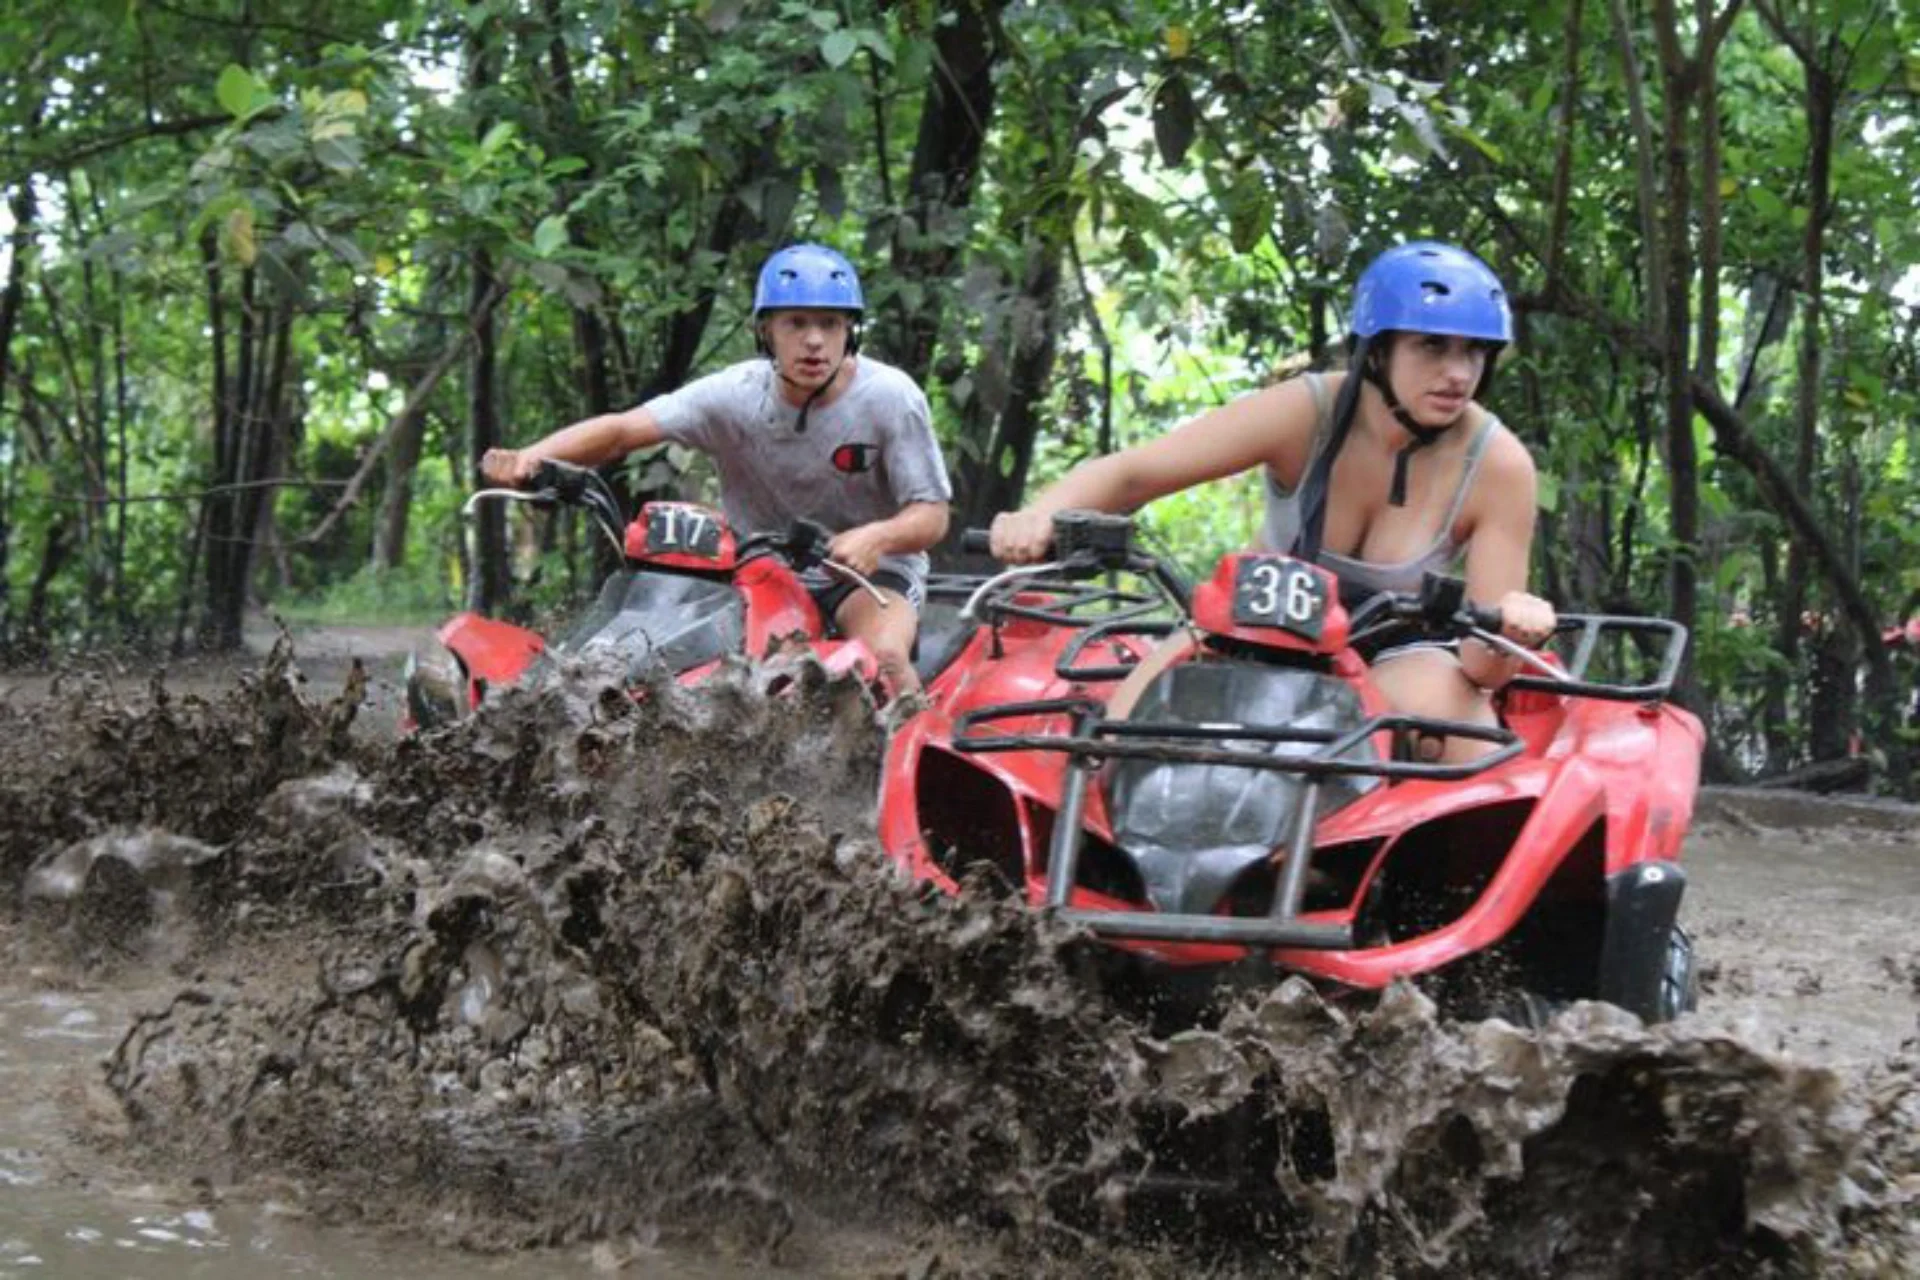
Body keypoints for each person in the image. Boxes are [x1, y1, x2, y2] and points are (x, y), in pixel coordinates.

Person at [988, 241, 1555, 759]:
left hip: (1397, 650)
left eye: (1475, 352)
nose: (1457, 373)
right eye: (1431, 345)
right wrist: (1040, 514)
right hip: (1254, 629)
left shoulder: (1499, 466)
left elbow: (1484, 665)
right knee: (1113, 740)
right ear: (1377, 351)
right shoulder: (1307, 411)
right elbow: (1132, 475)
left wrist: (1513, 627)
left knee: (1467, 745)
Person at [481, 243, 952, 693]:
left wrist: (876, 538)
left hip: (869, 575)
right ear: (765, 330)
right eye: (796, 323)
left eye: (830, 324)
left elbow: (932, 515)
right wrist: (530, 458)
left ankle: (910, 768)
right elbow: (623, 430)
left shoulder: (891, 397)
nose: (813, 340)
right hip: (763, 571)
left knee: (885, 660)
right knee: (703, 672)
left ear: (851, 330)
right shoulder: (732, 395)